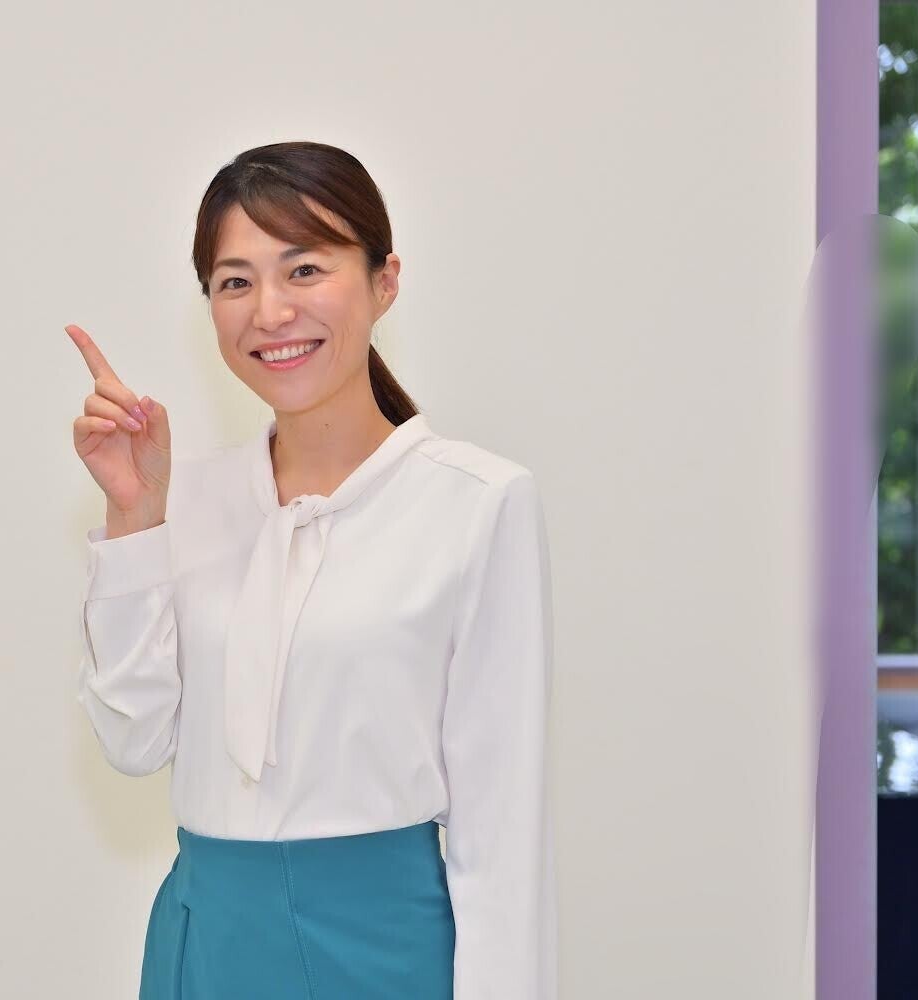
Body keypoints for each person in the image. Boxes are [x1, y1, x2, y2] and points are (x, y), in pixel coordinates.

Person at [67, 140, 556, 999]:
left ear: (383, 281)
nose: (270, 311)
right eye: (235, 281)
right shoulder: (187, 497)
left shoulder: (477, 503)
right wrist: (136, 522)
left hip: (380, 951)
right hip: (203, 942)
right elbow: (133, 742)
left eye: (304, 269)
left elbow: (503, 833)